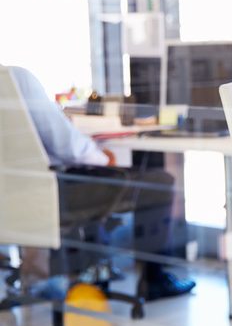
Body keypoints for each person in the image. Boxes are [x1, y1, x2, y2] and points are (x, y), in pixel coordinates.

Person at [6, 65, 195, 301]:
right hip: (47, 195)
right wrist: (103, 159)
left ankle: (88, 267)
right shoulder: (14, 78)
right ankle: (154, 281)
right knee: (159, 182)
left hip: (11, 197)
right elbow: (67, 144)